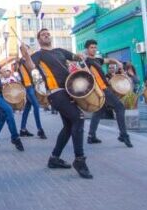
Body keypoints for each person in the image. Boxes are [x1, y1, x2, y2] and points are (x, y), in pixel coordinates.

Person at [21, 28, 92, 179]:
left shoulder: (60, 51)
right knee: (78, 118)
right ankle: (79, 160)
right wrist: (25, 55)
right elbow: (30, 66)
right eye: (42, 34)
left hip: (69, 90)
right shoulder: (38, 55)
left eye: (47, 33)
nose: (46, 35)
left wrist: (80, 56)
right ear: (39, 39)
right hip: (56, 93)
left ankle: (54, 158)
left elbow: (75, 57)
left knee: (68, 126)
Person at [84, 39, 133, 147]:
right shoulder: (86, 61)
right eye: (91, 47)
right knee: (120, 107)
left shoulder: (97, 59)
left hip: (104, 88)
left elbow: (108, 60)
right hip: (101, 89)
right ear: (87, 49)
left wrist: (117, 62)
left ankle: (91, 136)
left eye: (95, 47)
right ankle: (123, 135)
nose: (94, 49)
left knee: (98, 112)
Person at [17, 58, 46, 139]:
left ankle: (23, 130)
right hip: (29, 87)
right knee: (36, 106)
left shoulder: (26, 61)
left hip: (30, 86)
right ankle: (40, 129)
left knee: (27, 108)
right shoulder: (23, 62)